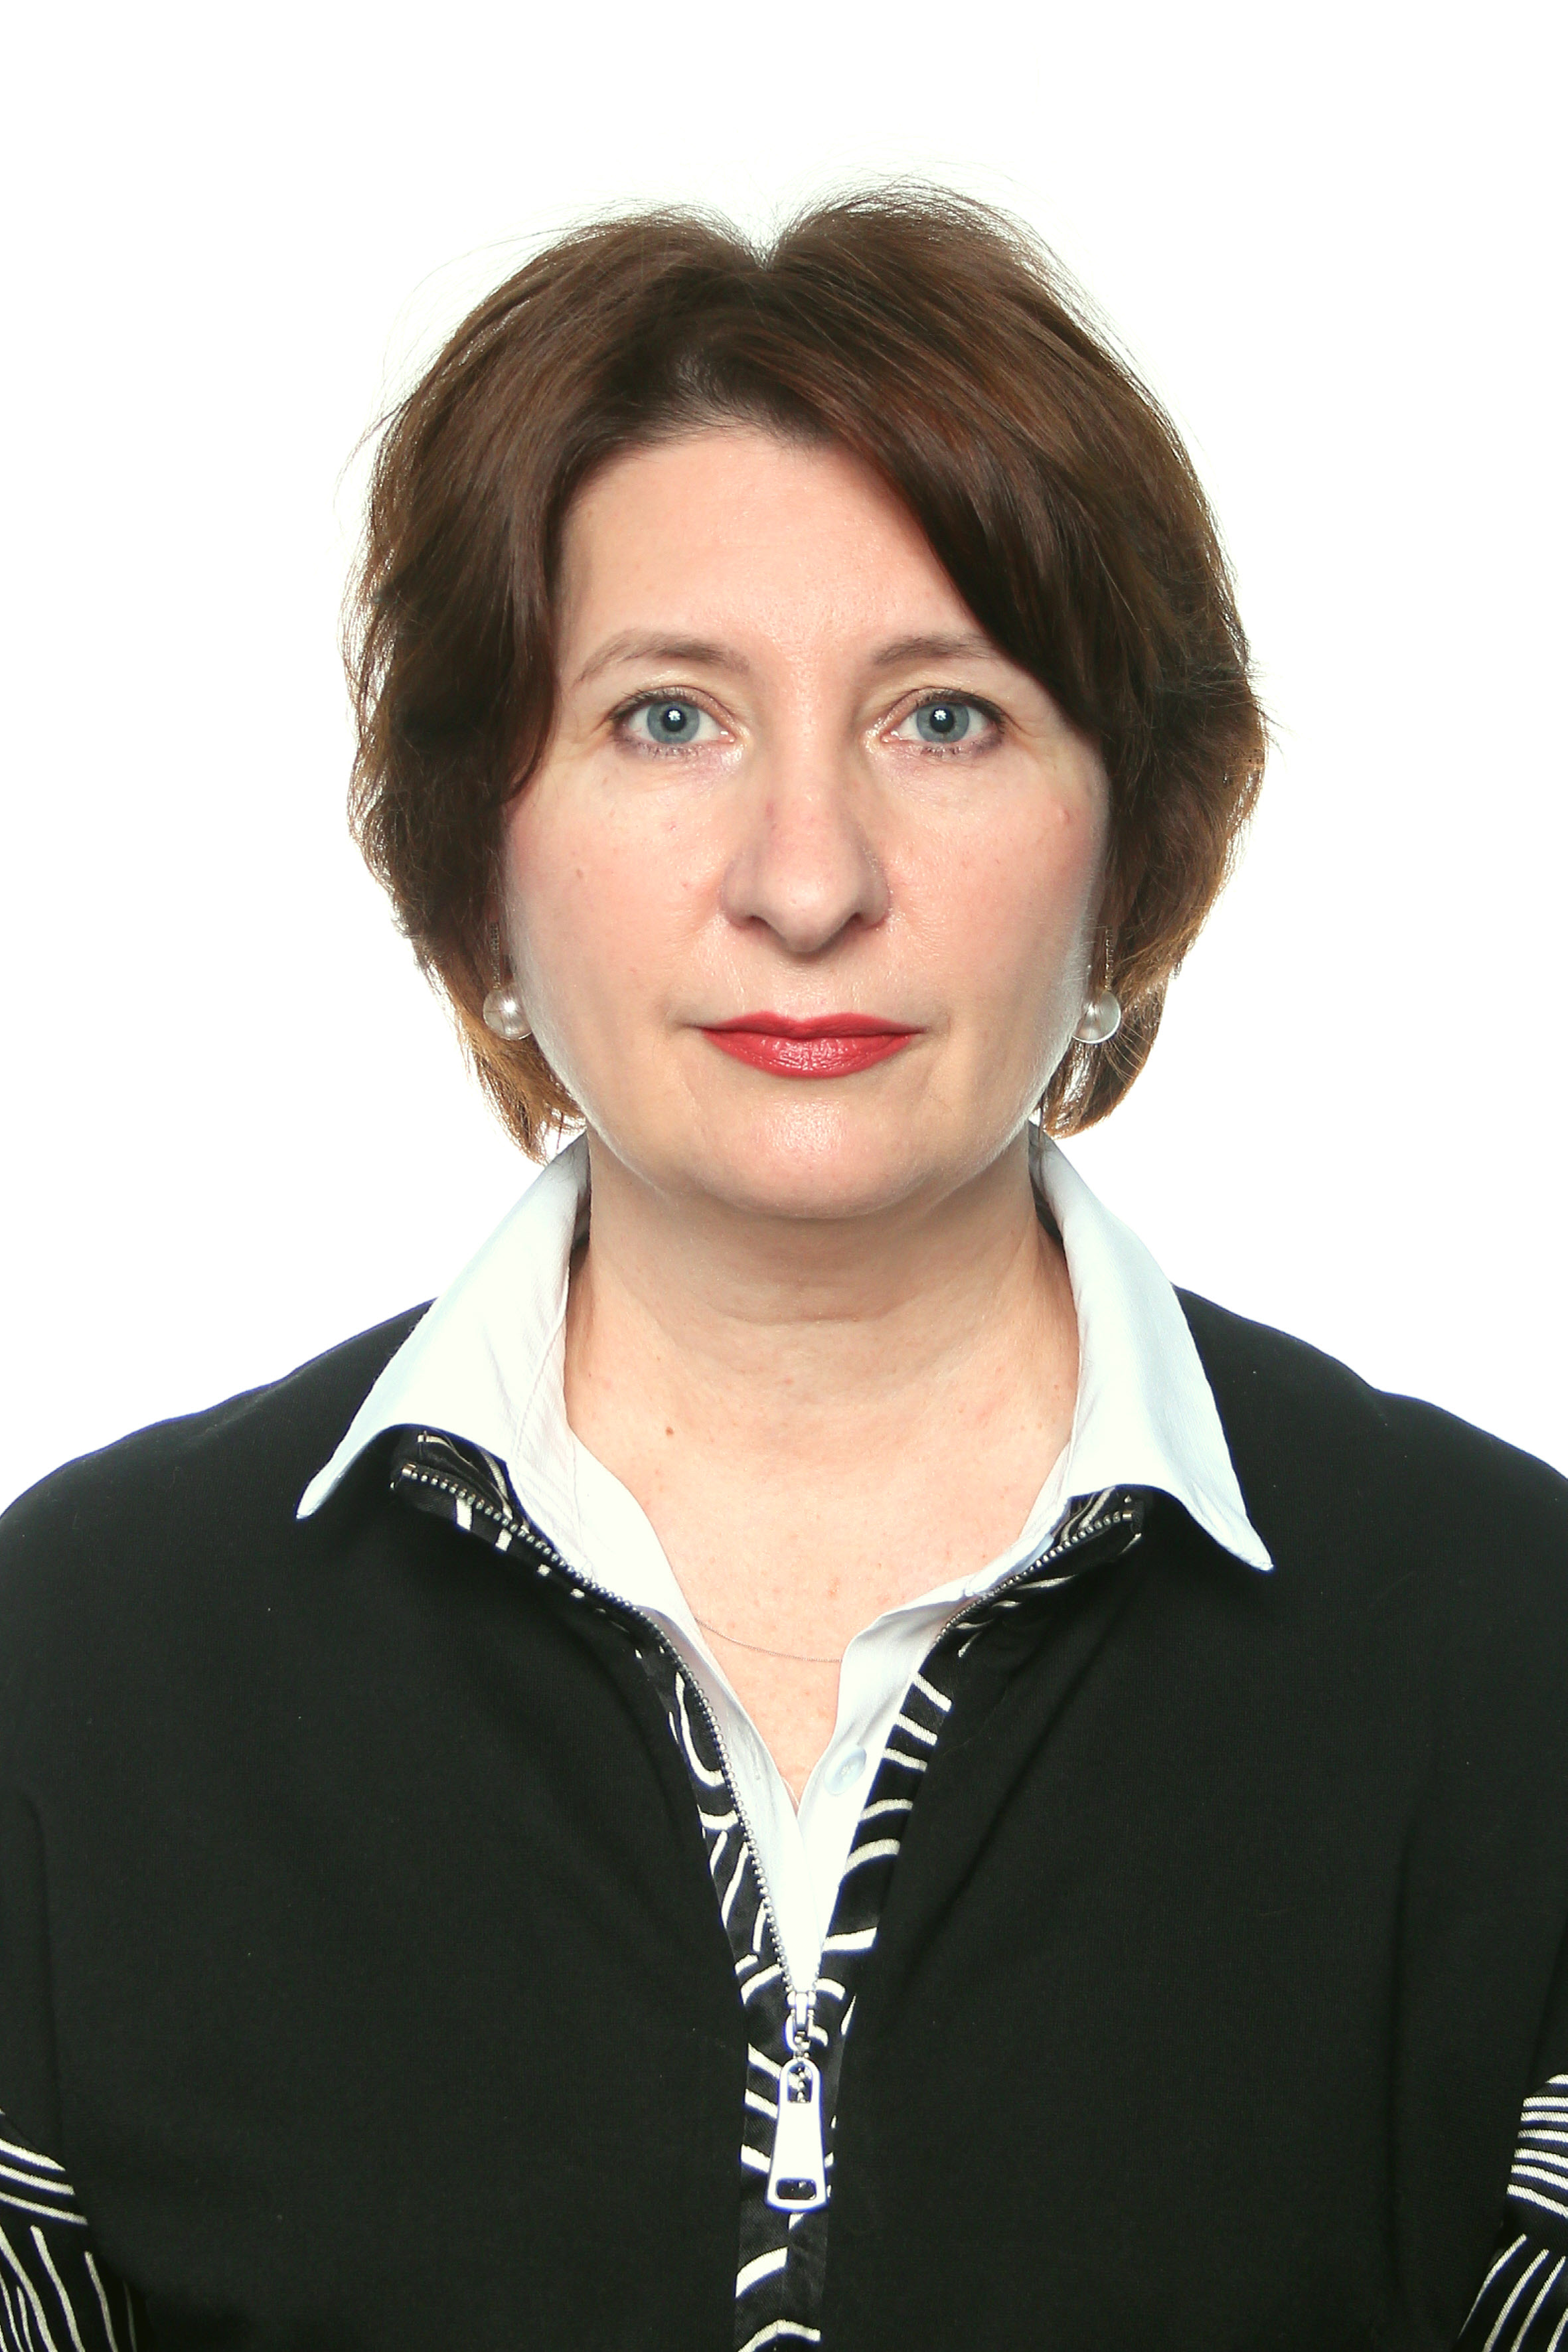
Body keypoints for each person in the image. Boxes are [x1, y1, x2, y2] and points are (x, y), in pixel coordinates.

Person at [1, 188, 1565, 2352]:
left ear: (1130, 840)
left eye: (945, 719)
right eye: (667, 718)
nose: (806, 880)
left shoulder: (1513, 1659)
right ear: (476, 847)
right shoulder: (76, 1675)